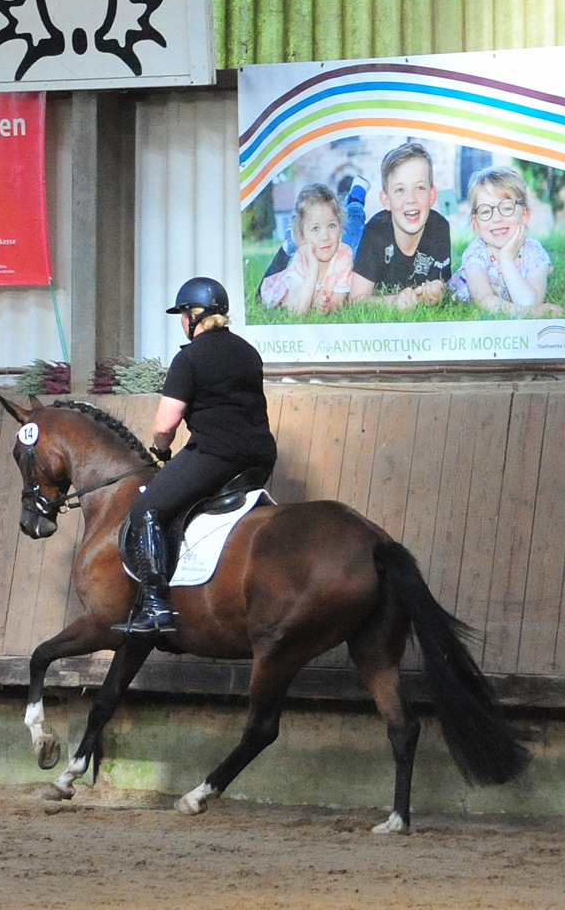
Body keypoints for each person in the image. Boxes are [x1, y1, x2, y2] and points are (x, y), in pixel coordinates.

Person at [112, 277, 278, 634]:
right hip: (260, 457)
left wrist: (160, 449)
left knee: (147, 509)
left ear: (193, 315)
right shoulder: (248, 352)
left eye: (182, 314)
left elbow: (165, 422)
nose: (182, 322)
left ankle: (155, 605)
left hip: (216, 455)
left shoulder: (189, 358)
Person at [447, 166, 563, 317]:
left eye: (507, 208)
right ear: (475, 223)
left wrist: (506, 259)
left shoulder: (534, 252)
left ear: (525, 214)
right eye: (486, 211)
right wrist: (527, 313)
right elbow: (484, 300)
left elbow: (530, 302)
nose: (497, 218)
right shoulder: (476, 254)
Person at [349, 143, 451, 309]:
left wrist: (437, 289)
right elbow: (355, 301)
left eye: (419, 188)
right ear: (386, 200)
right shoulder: (375, 233)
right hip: (358, 243)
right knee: (351, 231)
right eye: (400, 190)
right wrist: (393, 301)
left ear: (432, 196)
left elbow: (443, 282)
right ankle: (355, 201)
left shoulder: (440, 228)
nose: (411, 199)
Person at [259, 183, 354, 315]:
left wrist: (325, 307)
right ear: (303, 235)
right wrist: (313, 268)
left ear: (340, 227)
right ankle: (291, 242)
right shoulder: (302, 258)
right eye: (315, 229)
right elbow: (297, 311)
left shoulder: (344, 254)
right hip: (287, 293)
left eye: (332, 226)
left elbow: (339, 303)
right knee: (259, 297)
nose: (325, 237)